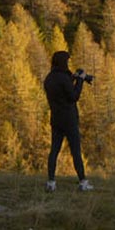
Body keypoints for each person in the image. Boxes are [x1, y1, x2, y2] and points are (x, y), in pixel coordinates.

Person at [43, 49, 92, 191]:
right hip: (69, 119)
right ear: (64, 62)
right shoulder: (64, 78)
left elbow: (62, 87)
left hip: (56, 119)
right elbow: (74, 96)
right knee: (75, 150)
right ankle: (82, 181)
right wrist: (81, 81)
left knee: (54, 150)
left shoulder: (49, 78)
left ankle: (51, 182)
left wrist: (75, 78)